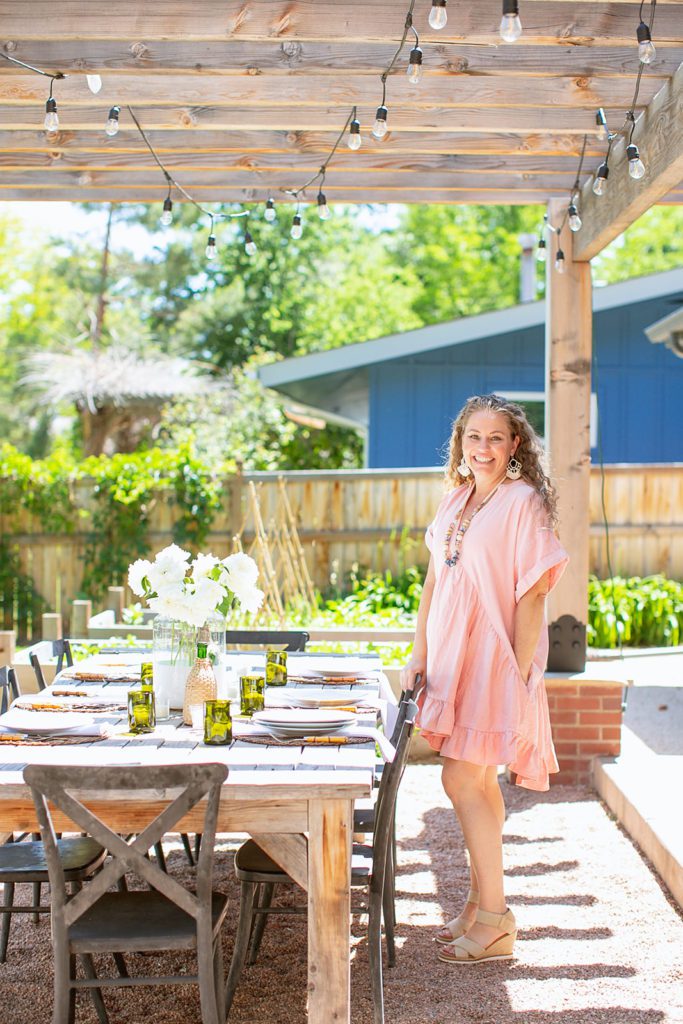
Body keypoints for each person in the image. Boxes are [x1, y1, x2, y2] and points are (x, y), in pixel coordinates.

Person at [401, 394, 568, 966]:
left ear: (515, 445)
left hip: (496, 658)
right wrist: (419, 653)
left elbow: (534, 591)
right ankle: (479, 904)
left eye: (496, 438)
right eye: (474, 437)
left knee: (461, 777)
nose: (484, 448)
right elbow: (432, 586)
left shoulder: (523, 502)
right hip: (452, 656)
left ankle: (496, 920)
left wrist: (519, 674)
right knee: (476, 780)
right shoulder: (455, 500)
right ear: (460, 443)